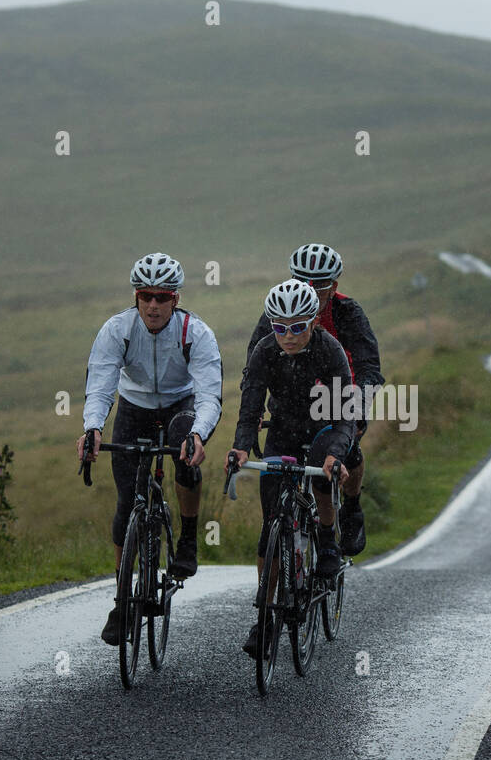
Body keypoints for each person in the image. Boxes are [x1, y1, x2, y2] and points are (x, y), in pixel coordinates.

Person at [77, 252, 223, 645]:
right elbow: (101, 385)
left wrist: (199, 433)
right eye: (146, 296)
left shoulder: (196, 333)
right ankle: (123, 600)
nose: (153, 305)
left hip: (181, 404)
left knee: (184, 448)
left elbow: (210, 394)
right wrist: (92, 428)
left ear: (175, 299)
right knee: (127, 503)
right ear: (136, 297)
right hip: (134, 407)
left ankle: (189, 537)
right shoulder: (117, 330)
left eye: (162, 297)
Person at [230, 280, 354, 658]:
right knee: (271, 524)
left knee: (320, 471)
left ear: (313, 321)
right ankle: (265, 617)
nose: (288, 336)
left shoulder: (331, 352)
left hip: (324, 427)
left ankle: (328, 541)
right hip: (282, 431)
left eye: (297, 327)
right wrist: (238, 448)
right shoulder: (265, 351)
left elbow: (347, 417)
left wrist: (336, 454)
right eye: (279, 327)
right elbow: (250, 409)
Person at [244, 243, 381, 558]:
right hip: (291, 402)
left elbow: (369, 368)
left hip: (337, 395)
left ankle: (352, 508)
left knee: (350, 443)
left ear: (334, 285)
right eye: (302, 279)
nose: (310, 289)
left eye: (319, 284)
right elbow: (254, 363)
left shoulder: (349, 313)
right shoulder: (279, 312)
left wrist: (358, 407)